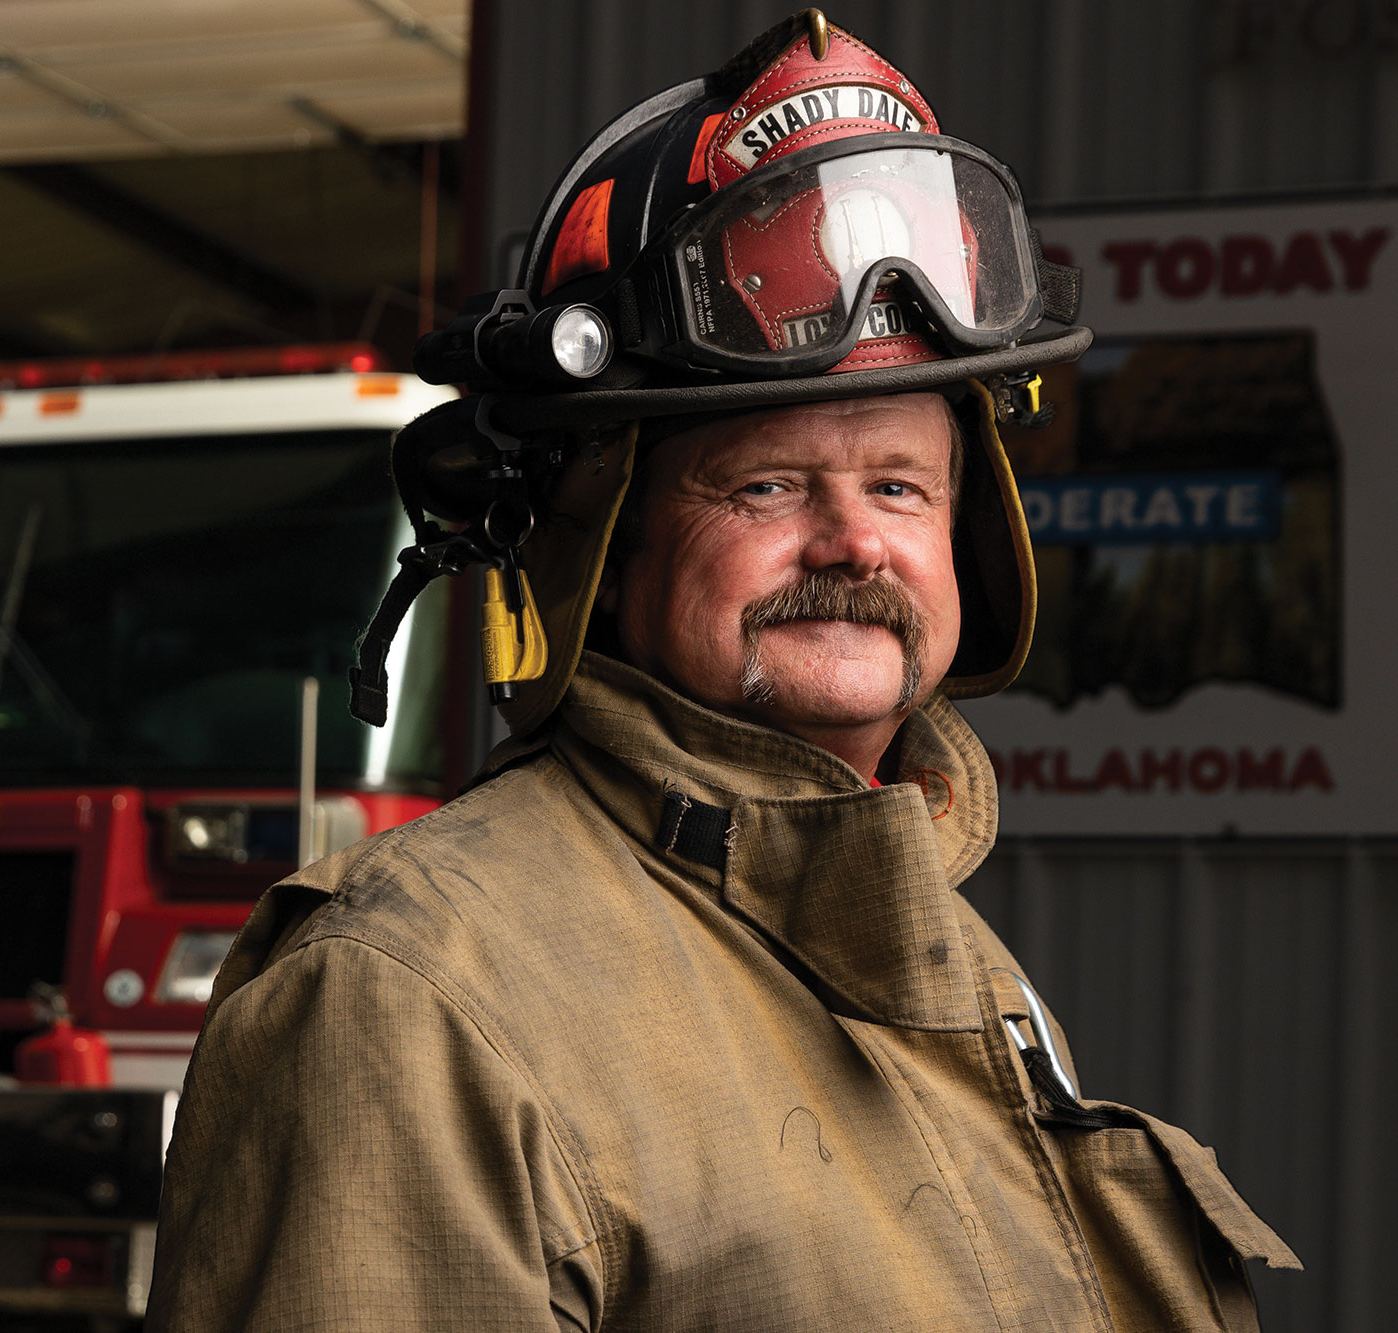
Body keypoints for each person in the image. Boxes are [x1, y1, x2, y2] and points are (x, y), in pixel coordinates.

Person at [147, 11, 1300, 1331]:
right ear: (609, 540)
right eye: (766, 483)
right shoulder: (406, 1000)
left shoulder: (945, 951)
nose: (855, 537)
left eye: (901, 485)